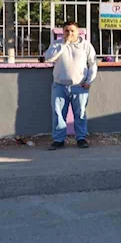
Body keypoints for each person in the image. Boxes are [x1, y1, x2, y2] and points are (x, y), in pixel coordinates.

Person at [44, 21, 97, 150]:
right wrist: (64, 44)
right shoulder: (57, 44)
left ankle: (81, 138)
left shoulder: (86, 46)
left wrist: (89, 81)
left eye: (72, 30)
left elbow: (93, 64)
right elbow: (48, 58)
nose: (70, 33)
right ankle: (58, 140)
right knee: (58, 114)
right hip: (60, 86)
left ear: (78, 32)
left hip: (80, 86)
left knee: (80, 113)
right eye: (67, 30)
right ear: (63, 32)